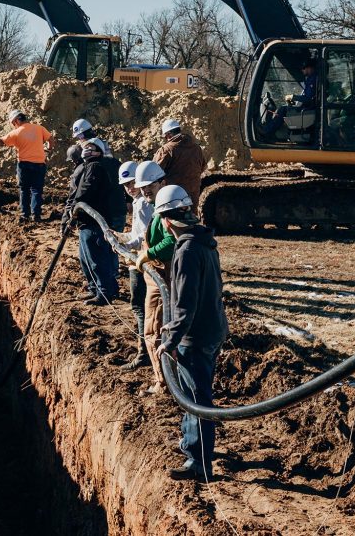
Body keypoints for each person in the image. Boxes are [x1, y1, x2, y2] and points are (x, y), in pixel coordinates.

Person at [153, 184, 228, 483]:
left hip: (196, 337)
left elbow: (185, 305)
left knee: (197, 398)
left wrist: (169, 340)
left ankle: (199, 462)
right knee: (191, 393)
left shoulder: (186, 251)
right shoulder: (205, 241)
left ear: (166, 221)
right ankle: (192, 443)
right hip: (213, 328)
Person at [132, 160, 175, 394]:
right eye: (142, 187)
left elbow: (171, 242)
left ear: (163, 182)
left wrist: (148, 254)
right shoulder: (160, 207)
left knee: (155, 330)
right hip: (158, 277)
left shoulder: (166, 209)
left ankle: (163, 383)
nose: (145, 190)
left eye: (150, 185)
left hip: (162, 280)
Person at [64, 138, 120, 305]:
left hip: (94, 221)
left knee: (96, 259)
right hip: (85, 221)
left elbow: (85, 190)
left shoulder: (95, 167)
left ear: (99, 151)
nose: (87, 149)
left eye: (91, 147)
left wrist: (74, 207)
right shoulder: (89, 166)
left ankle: (104, 293)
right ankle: (94, 288)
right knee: (85, 258)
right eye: (86, 146)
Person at [111, 160, 153, 370]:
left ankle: (144, 352)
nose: (129, 187)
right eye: (125, 184)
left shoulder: (144, 203)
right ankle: (145, 350)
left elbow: (145, 236)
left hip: (144, 261)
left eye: (132, 182)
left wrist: (126, 244)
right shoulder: (139, 202)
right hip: (138, 258)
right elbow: (137, 234)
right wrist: (120, 237)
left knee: (140, 306)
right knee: (140, 306)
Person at [0, 109, 55, 223]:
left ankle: (25, 215)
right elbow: (51, 139)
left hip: (24, 165)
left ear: (16, 120)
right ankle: (36, 216)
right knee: (37, 190)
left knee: (24, 189)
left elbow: (0, 141)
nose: (14, 126)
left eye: (13, 123)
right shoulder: (39, 128)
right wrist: (49, 148)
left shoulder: (16, 133)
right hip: (39, 164)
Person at [153, 119, 207, 211]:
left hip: (173, 197)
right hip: (193, 195)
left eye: (165, 137)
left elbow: (153, 172)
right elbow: (203, 167)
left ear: (169, 134)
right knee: (190, 219)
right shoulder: (196, 148)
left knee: (174, 221)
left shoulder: (166, 150)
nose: (166, 140)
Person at [262, 59, 318, 136]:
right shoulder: (311, 79)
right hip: (308, 107)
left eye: (303, 68)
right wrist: (294, 98)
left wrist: (294, 97)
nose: (302, 70)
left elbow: (308, 98)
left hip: (308, 109)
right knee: (284, 108)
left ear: (309, 68)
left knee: (283, 109)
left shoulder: (314, 79)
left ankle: (267, 131)